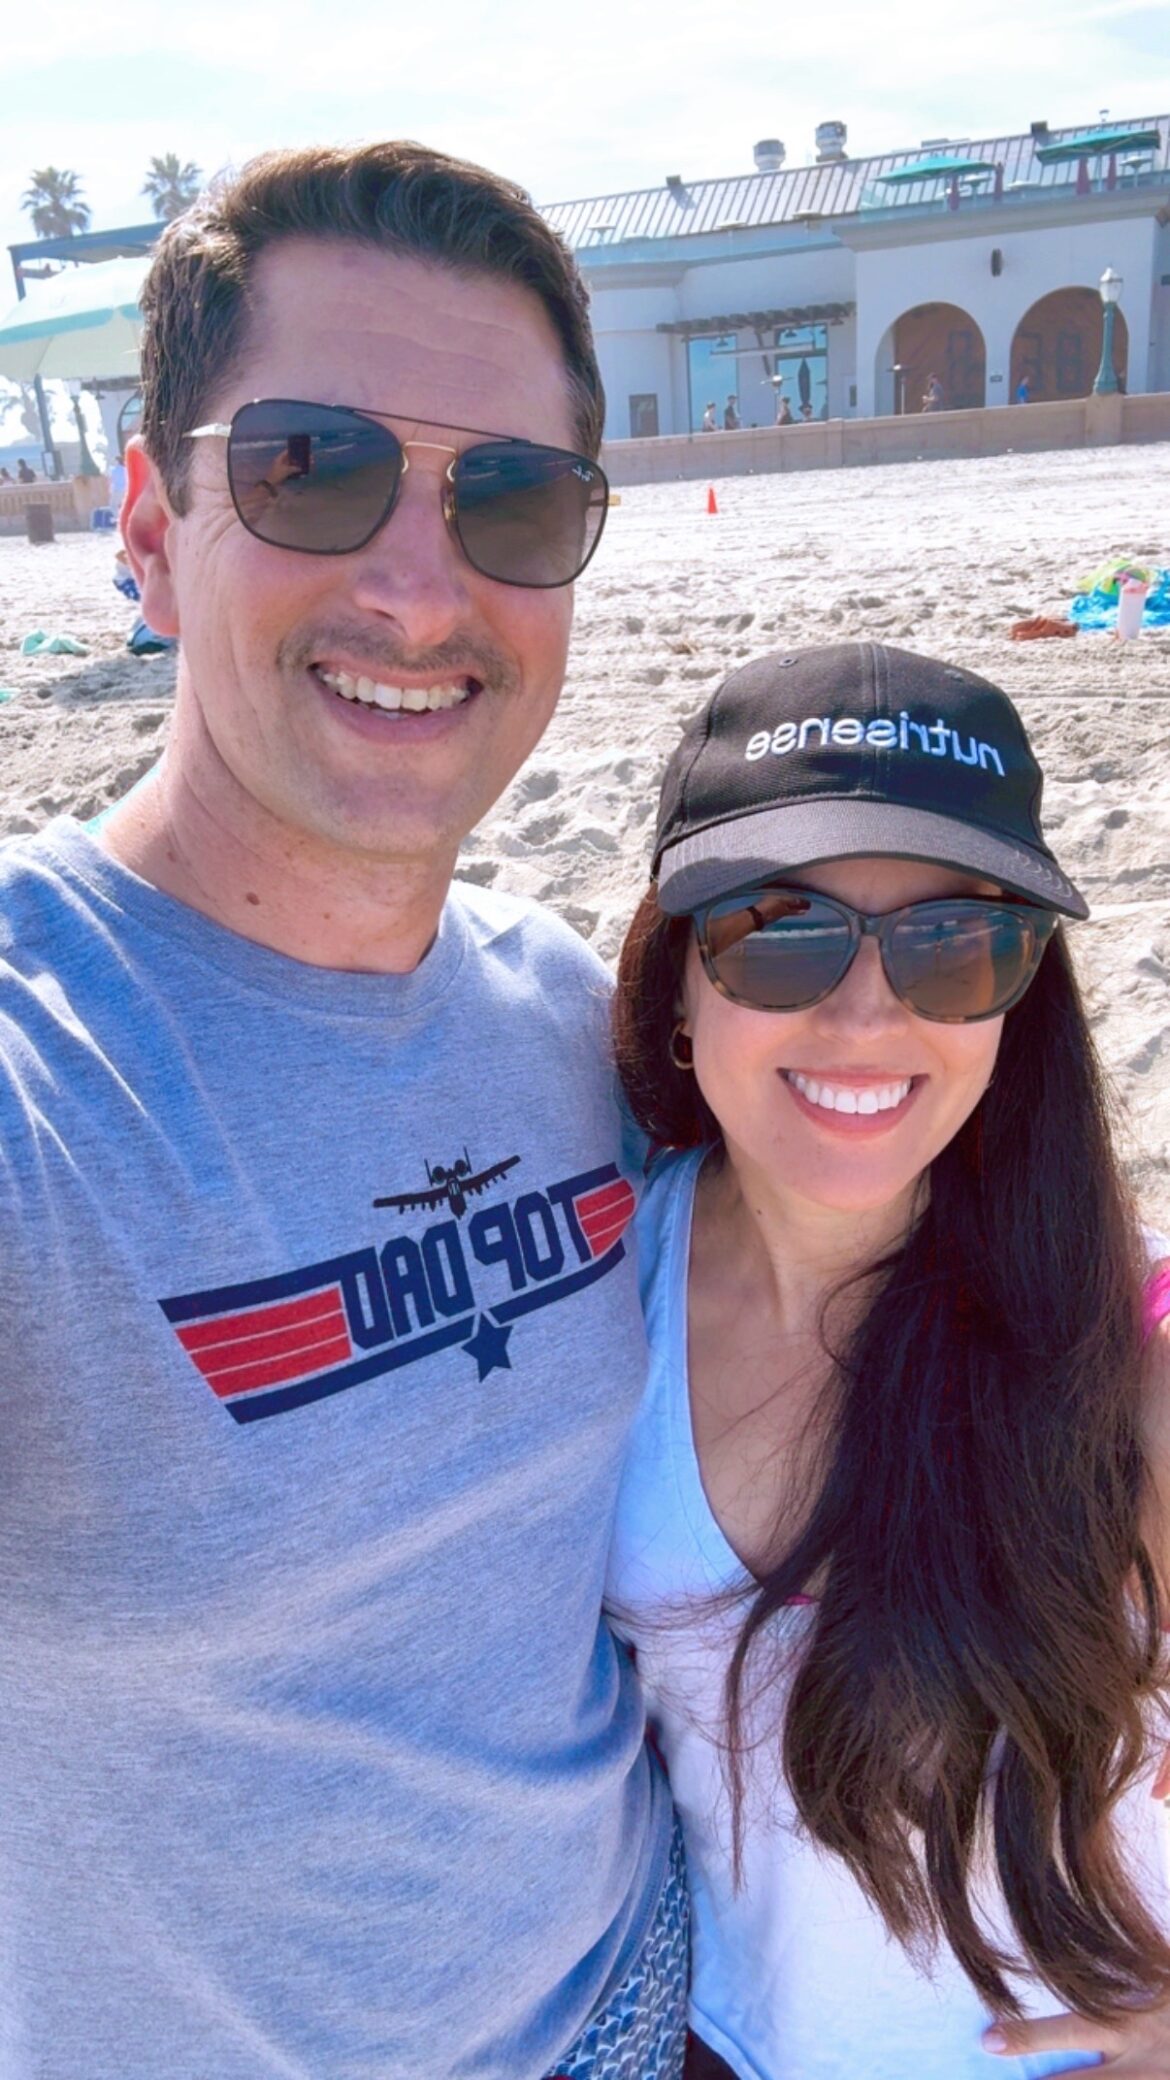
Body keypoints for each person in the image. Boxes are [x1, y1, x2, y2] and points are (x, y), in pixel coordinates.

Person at [0, 141, 682, 2080]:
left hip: (646, 1985)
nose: (418, 585)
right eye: (315, 469)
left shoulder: (577, 1016)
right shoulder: (40, 1078)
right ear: (150, 528)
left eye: (511, 496)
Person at [609, 642, 1170, 2080]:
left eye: (955, 943)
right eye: (778, 931)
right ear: (678, 981)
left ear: (1019, 1000)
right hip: (727, 2045)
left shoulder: (1128, 1350)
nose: (866, 1017)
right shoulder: (585, 1298)